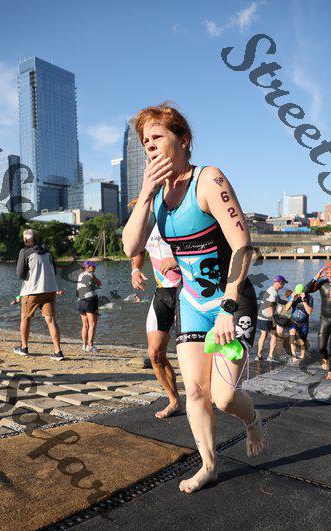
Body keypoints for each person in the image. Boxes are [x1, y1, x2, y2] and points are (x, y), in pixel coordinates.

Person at [122, 102, 265, 494]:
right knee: (196, 393)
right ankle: (209, 465)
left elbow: (242, 247)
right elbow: (130, 246)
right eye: (145, 141)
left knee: (225, 397)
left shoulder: (208, 179)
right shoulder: (155, 197)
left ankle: (252, 420)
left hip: (231, 299)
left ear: (183, 140)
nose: (150, 145)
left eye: (158, 136)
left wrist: (228, 306)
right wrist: (146, 191)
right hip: (192, 304)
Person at [130, 209, 183, 419]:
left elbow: (204, 247)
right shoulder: (147, 225)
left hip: (188, 291)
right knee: (155, 354)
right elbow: (138, 250)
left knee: (198, 353)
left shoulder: (179, 218)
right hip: (163, 292)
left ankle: (209, 395)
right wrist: (135, 270)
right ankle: (174, 400)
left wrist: (178, 259)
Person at [14, 228, 64, 360]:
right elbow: (54, 271)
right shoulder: (48, 252)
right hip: (50, 290)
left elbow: (19, 274)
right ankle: (58, 351)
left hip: (32, 291)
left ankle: (24, 347)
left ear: (25, 239)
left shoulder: (24, 252)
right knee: (51, 320)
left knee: (25, 318)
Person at [256, 275, 288, 361]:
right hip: (268, 318)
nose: (284, 285)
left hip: (261, 316)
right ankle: (270, 356)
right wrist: (273, 320)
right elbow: (270, 306)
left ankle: (258, 356)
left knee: (263, 335)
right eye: (284, 283)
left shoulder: (271, 289)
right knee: (274, 335)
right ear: (280, 282)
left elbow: (280, 301)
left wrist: (291, 301)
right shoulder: (273, 293)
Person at [284, 284, 313, 362]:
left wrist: (303, 301)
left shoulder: (309, 298)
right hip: (293, 321)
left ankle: (302, 356)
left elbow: (309, 312)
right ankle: (294, 356)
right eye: (297, 294)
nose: (298, 295)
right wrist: (291, 299)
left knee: (302, 341)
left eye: (300, 294)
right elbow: (286, 309)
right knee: (292, 335)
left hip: (304, 323)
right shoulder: (293, 296)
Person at [77, 260, 101, 353]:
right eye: (93, 266)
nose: (95, 268)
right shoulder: (91, 274)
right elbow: (99, 283)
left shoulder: (80, 275)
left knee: (85, 325)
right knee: (92, 324)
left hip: (80, 301)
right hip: (90, 301)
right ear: (87, 267)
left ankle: (84, 345)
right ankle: (90, 346)